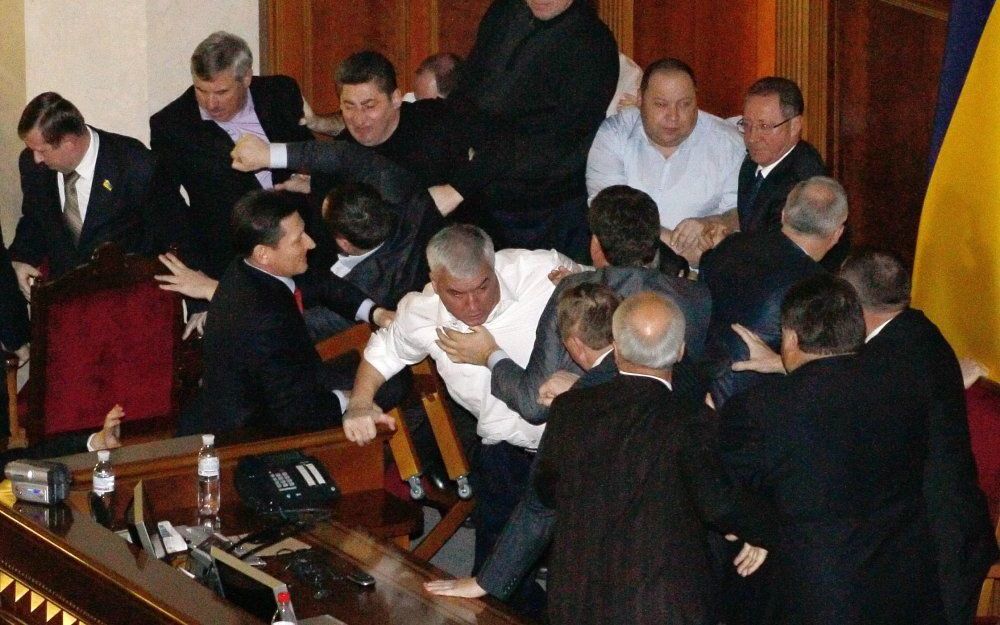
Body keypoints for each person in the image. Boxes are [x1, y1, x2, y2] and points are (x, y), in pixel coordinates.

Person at [342, 224, 579, 571]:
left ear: (494, 267)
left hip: (575, 445)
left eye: (483, 287)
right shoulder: (421, 312)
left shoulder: (542, 271)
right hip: (506, 455)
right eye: (456, 293)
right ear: (435, 282)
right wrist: (360, 402)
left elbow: (617, 306)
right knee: (495, 575)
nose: (473, 305)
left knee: (582, 574)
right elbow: (382, 353)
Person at [536, 291, 775, 625]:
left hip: (577, 602)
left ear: (616, 348)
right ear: (679, 351)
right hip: (658, 607)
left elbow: (545, 490)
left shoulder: (569, 409)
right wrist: (763, 530)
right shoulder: (691, 419)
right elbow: (720, 505)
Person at [720, 274, 944, 625]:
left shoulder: (758, 409)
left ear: (790, 337)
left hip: (815, 600)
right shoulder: (907, 393)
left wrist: (758, 530)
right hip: (907, 594)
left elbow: (730, 503)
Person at [424, 282, 622, 618]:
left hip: (604, 561)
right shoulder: (659, 358)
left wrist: (485, 582)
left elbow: (539, 508)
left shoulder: (576, 411)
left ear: (571, 343)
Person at [435, 185, 710, 426]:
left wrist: (490, 355)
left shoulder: (572, 295)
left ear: (596, 245)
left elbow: (534, 403)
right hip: (680, 439)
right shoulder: (698, 296)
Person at [192, 190, 400, 435]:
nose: (311, 243)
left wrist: (375, 313)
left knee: (388, 372)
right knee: (391, 383)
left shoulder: (250, 266)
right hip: (260, 427)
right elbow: (294, 410)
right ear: (264, 253)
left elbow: (322, 283)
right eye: (298, 239)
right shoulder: (262, 320)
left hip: (294, 379)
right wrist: (353, 401)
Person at [446, 0, 619, 260]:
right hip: (483, 193)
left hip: (548, 211)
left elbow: (553, 140)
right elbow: (470, 88)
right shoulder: (504, 12)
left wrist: (465, 181)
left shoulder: (594, 44)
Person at [149, 31, 316, 280]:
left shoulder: (280, 93)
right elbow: (166, 206)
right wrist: (196, 275)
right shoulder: (172, 126)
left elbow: (311, 155)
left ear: (246, 77)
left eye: (222, 92)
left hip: (300, 246)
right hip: (230, 260)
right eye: (201, 90)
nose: (210, 103)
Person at [10, 92, 188, 296]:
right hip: (64, 301)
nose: (36, 159)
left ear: (69, 143)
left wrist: (196, 305)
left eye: (42, 151)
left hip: (127, 301)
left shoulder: (136, 166)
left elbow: (178, 234)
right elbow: (35, 221)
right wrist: (19, 260)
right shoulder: (33, 167)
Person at [699, 175, 847, 407]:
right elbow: (831, 376)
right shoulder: (821, 291)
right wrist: (782, 363)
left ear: (784, 215)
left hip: (692, 391)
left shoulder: (730, 245)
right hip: (755, 410)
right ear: (838, 233)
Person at [586, 58, 744, 266]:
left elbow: (739, 213)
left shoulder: (728, 142)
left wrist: (711, 223)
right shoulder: (614, 134)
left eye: (685, 104)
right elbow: (612, 218)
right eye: (661, 105)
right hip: (628, 268)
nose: (673, 116)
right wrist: (682, 253)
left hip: (701, 280)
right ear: (640, 99)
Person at [735, 77, 847, 270]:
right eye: (747, 124)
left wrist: (723, 246)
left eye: (764, 127)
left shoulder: (803, 182)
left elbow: (776, 252)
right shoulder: (753, 162)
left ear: (794, 126)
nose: (752, 138)